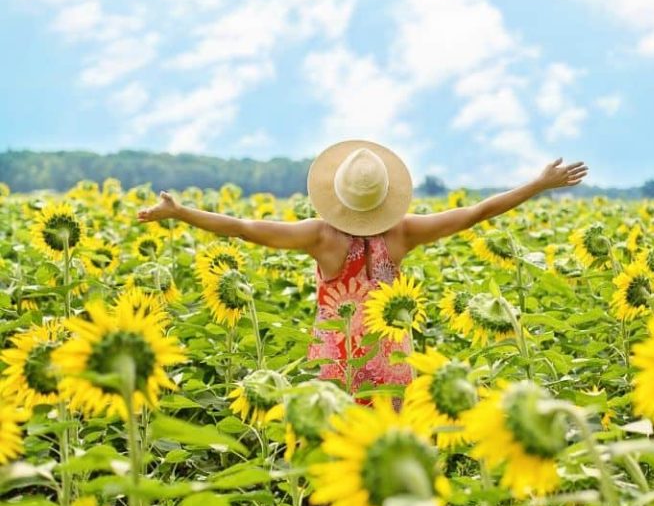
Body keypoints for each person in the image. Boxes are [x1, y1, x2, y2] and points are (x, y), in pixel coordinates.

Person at [137, 139, 587, 394]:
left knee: (341, 459)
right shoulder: (403, 233)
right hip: (392, 363)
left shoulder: (321, 236)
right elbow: (476, 213)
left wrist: (182, 212)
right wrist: (538, 184)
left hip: (340, 366)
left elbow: (241, 227)